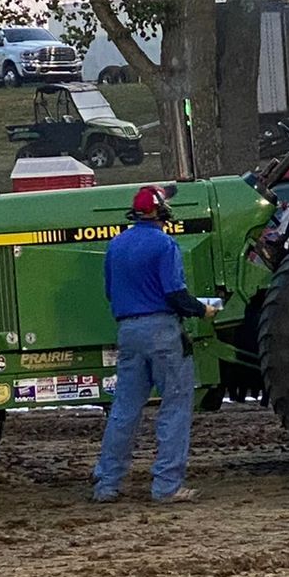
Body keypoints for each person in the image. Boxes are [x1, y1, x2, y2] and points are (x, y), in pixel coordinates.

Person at [92, 184, 217, 504]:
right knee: (174, 407)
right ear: (160, 211)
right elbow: (175, 294)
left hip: (128, 332)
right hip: (162, 331)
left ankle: (107, 484)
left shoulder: (116, 245)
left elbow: (108, 293)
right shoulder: (165, 245)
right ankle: (166, 486)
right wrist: (203, 310)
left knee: (124, 409)